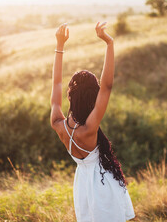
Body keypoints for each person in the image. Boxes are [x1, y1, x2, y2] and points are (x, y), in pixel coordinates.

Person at [50, 22, 135, 222]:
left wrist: (59, 46)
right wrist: (109, 43)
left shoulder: (58, 124)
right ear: (92, 97)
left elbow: (56, 83)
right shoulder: (89, 127)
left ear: (70, 96)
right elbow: (107, 86)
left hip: (82, 185)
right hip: (103, 183)